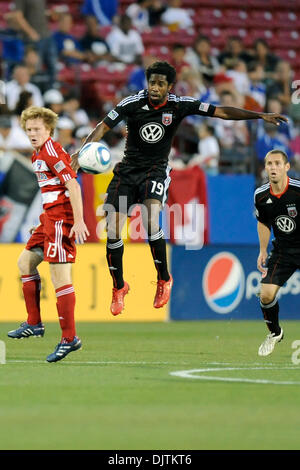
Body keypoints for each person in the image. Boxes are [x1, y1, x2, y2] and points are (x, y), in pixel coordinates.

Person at [71, 61, 287, 316]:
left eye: (161, 84)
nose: (155, 87)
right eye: (152, 82)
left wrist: (259, 116)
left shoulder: (180, 105)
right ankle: (119, 287)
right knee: (113, 227)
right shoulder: (131, 103)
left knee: (151, 219)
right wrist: (81, 152)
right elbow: (102, 127)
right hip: (127, 171)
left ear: (169, 86)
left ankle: (163, 279)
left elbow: (221, 112)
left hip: (156, 170)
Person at [7, 106, 89, 363]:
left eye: (37, 129)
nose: (32, 133)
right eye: (29, 129)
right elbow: (53, 191)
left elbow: (73, 185)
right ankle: (34, 323)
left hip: (61, 221)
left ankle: (69, 338)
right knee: (25, 262)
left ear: (49, 130)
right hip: (49, 220)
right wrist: (42, 223)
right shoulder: (37, 155)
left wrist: (77, 222)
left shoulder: (51, 151)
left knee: (60, 278)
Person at [254, 149, 300, 356]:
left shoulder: (298, 190)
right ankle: (275, 333)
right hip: (283, 251)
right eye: (269, 164)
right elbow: (263, 222)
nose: (273, 168)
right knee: (265, 294)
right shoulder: (261, 195)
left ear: (287, 167)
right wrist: (263, 250)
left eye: (277, 164)